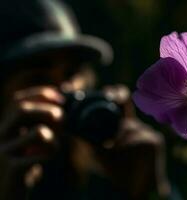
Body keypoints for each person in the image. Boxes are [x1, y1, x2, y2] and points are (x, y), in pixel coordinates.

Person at [0, 0, 169, 199]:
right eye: (38, 78)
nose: (65, 91)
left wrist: (152, 191)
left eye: (71, 73)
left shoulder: (103, 174)